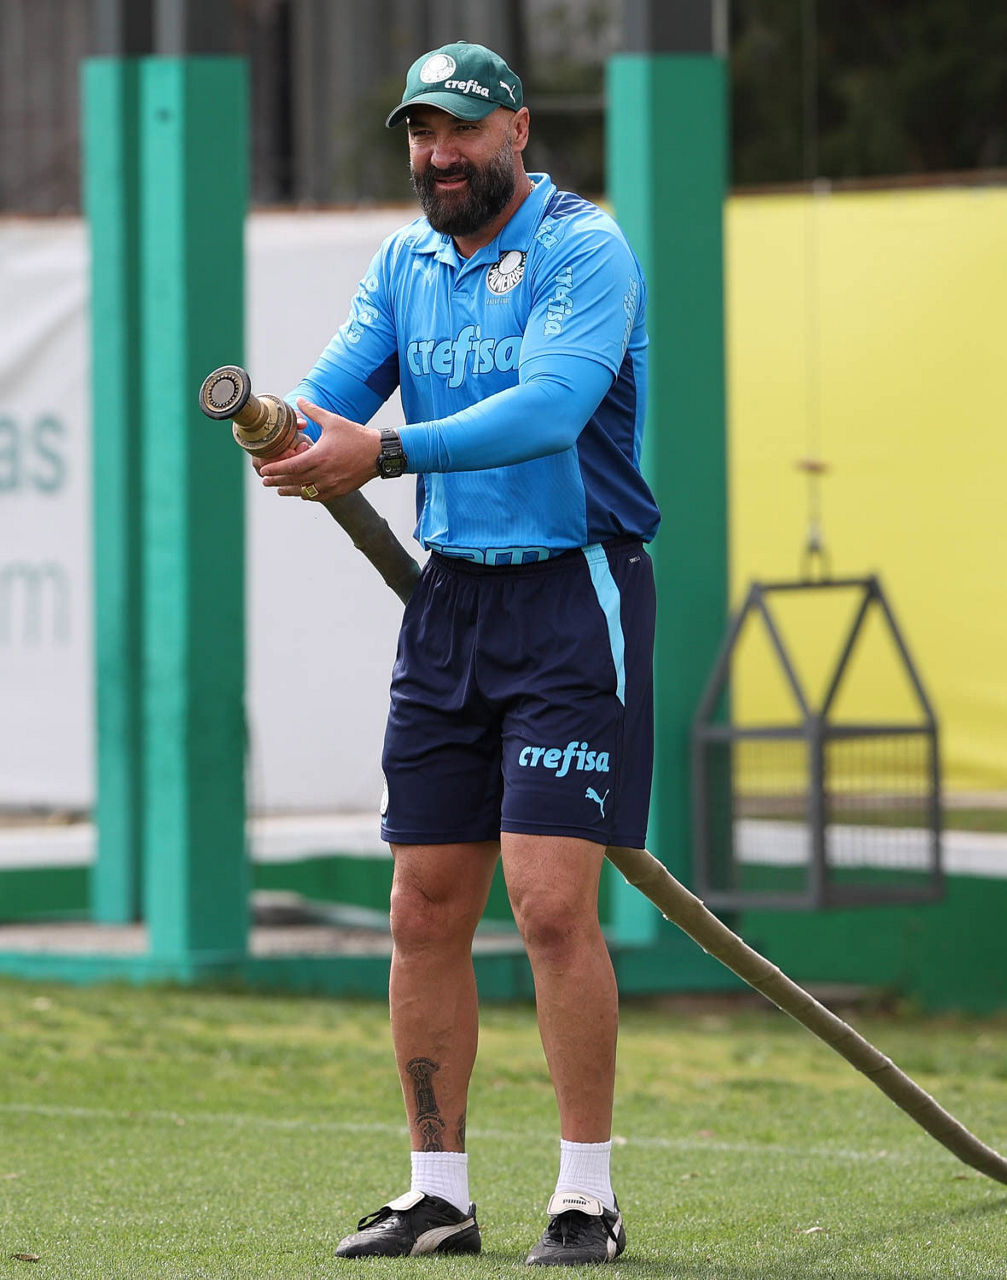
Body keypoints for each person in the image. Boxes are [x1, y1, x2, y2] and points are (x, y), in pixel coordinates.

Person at [258, 39, 660, 1267]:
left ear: (516, 131)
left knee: (548, 903)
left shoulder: (583, 248)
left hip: (572, 594)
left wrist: (379, 453)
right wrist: (279, 426)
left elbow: (548, 408)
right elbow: (332, 397)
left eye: (461, 129)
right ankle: (437, 1192)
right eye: (421, 133)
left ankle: (584, 1196)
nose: (438, 153)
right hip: (448, 606)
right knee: (424, 905)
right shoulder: (406, 261)